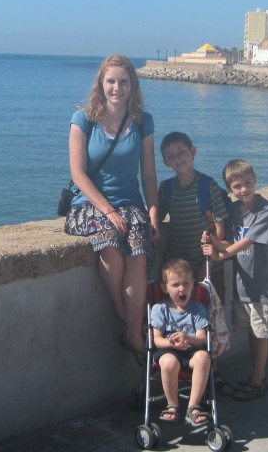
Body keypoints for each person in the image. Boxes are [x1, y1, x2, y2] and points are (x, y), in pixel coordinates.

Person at [68, 54, 159, 357]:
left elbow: (148, 173)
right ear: (101, 84)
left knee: (138, 253)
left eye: (123, 81)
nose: (117, 87)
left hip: (130, 203)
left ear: (132, 85)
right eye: (111, 81)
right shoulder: (84, 118)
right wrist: (107, 210)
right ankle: (129, 321)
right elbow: (78, 175)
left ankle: (133, 334)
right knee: (109, 241)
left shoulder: (143, 121)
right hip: (90, 203)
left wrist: (154, 212)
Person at [202, 158, 268, 401]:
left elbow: (247, 241)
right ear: (230, 190)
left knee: (261, 333)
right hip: (243, 286)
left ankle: (258, 380)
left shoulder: (266, 211)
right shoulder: (235, 211)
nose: (243, 189)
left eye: (247, 183)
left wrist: (220, 253)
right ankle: (255, 376)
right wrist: (214, 244)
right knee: (252, 332)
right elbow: (231, 242)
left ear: (255, 180)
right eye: (237, 186)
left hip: (263, 285)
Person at [157, 131, 229, 288]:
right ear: (165, 162)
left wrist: (207, 263)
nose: (177, 159)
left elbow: (219, 229)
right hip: (176, 261)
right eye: (170, 156)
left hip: (206, 258)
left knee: (209, 304)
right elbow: (156, 219)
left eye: (181, 152)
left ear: (193, 151)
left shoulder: (208, 186)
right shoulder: (166, 188)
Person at [150, 257, 212, 427]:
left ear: (193, 284)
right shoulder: (160, 309)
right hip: (167, 350)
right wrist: (171, 343)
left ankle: (193, 406)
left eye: (186, 284)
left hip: (191, 351)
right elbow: (156, 340)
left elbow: (201, 340)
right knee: (169, 361)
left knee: (204, 357)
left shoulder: (197, 309)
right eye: (175, 285)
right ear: (164, 288)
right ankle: (172, 404)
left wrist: (187, 338)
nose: (182, 288)